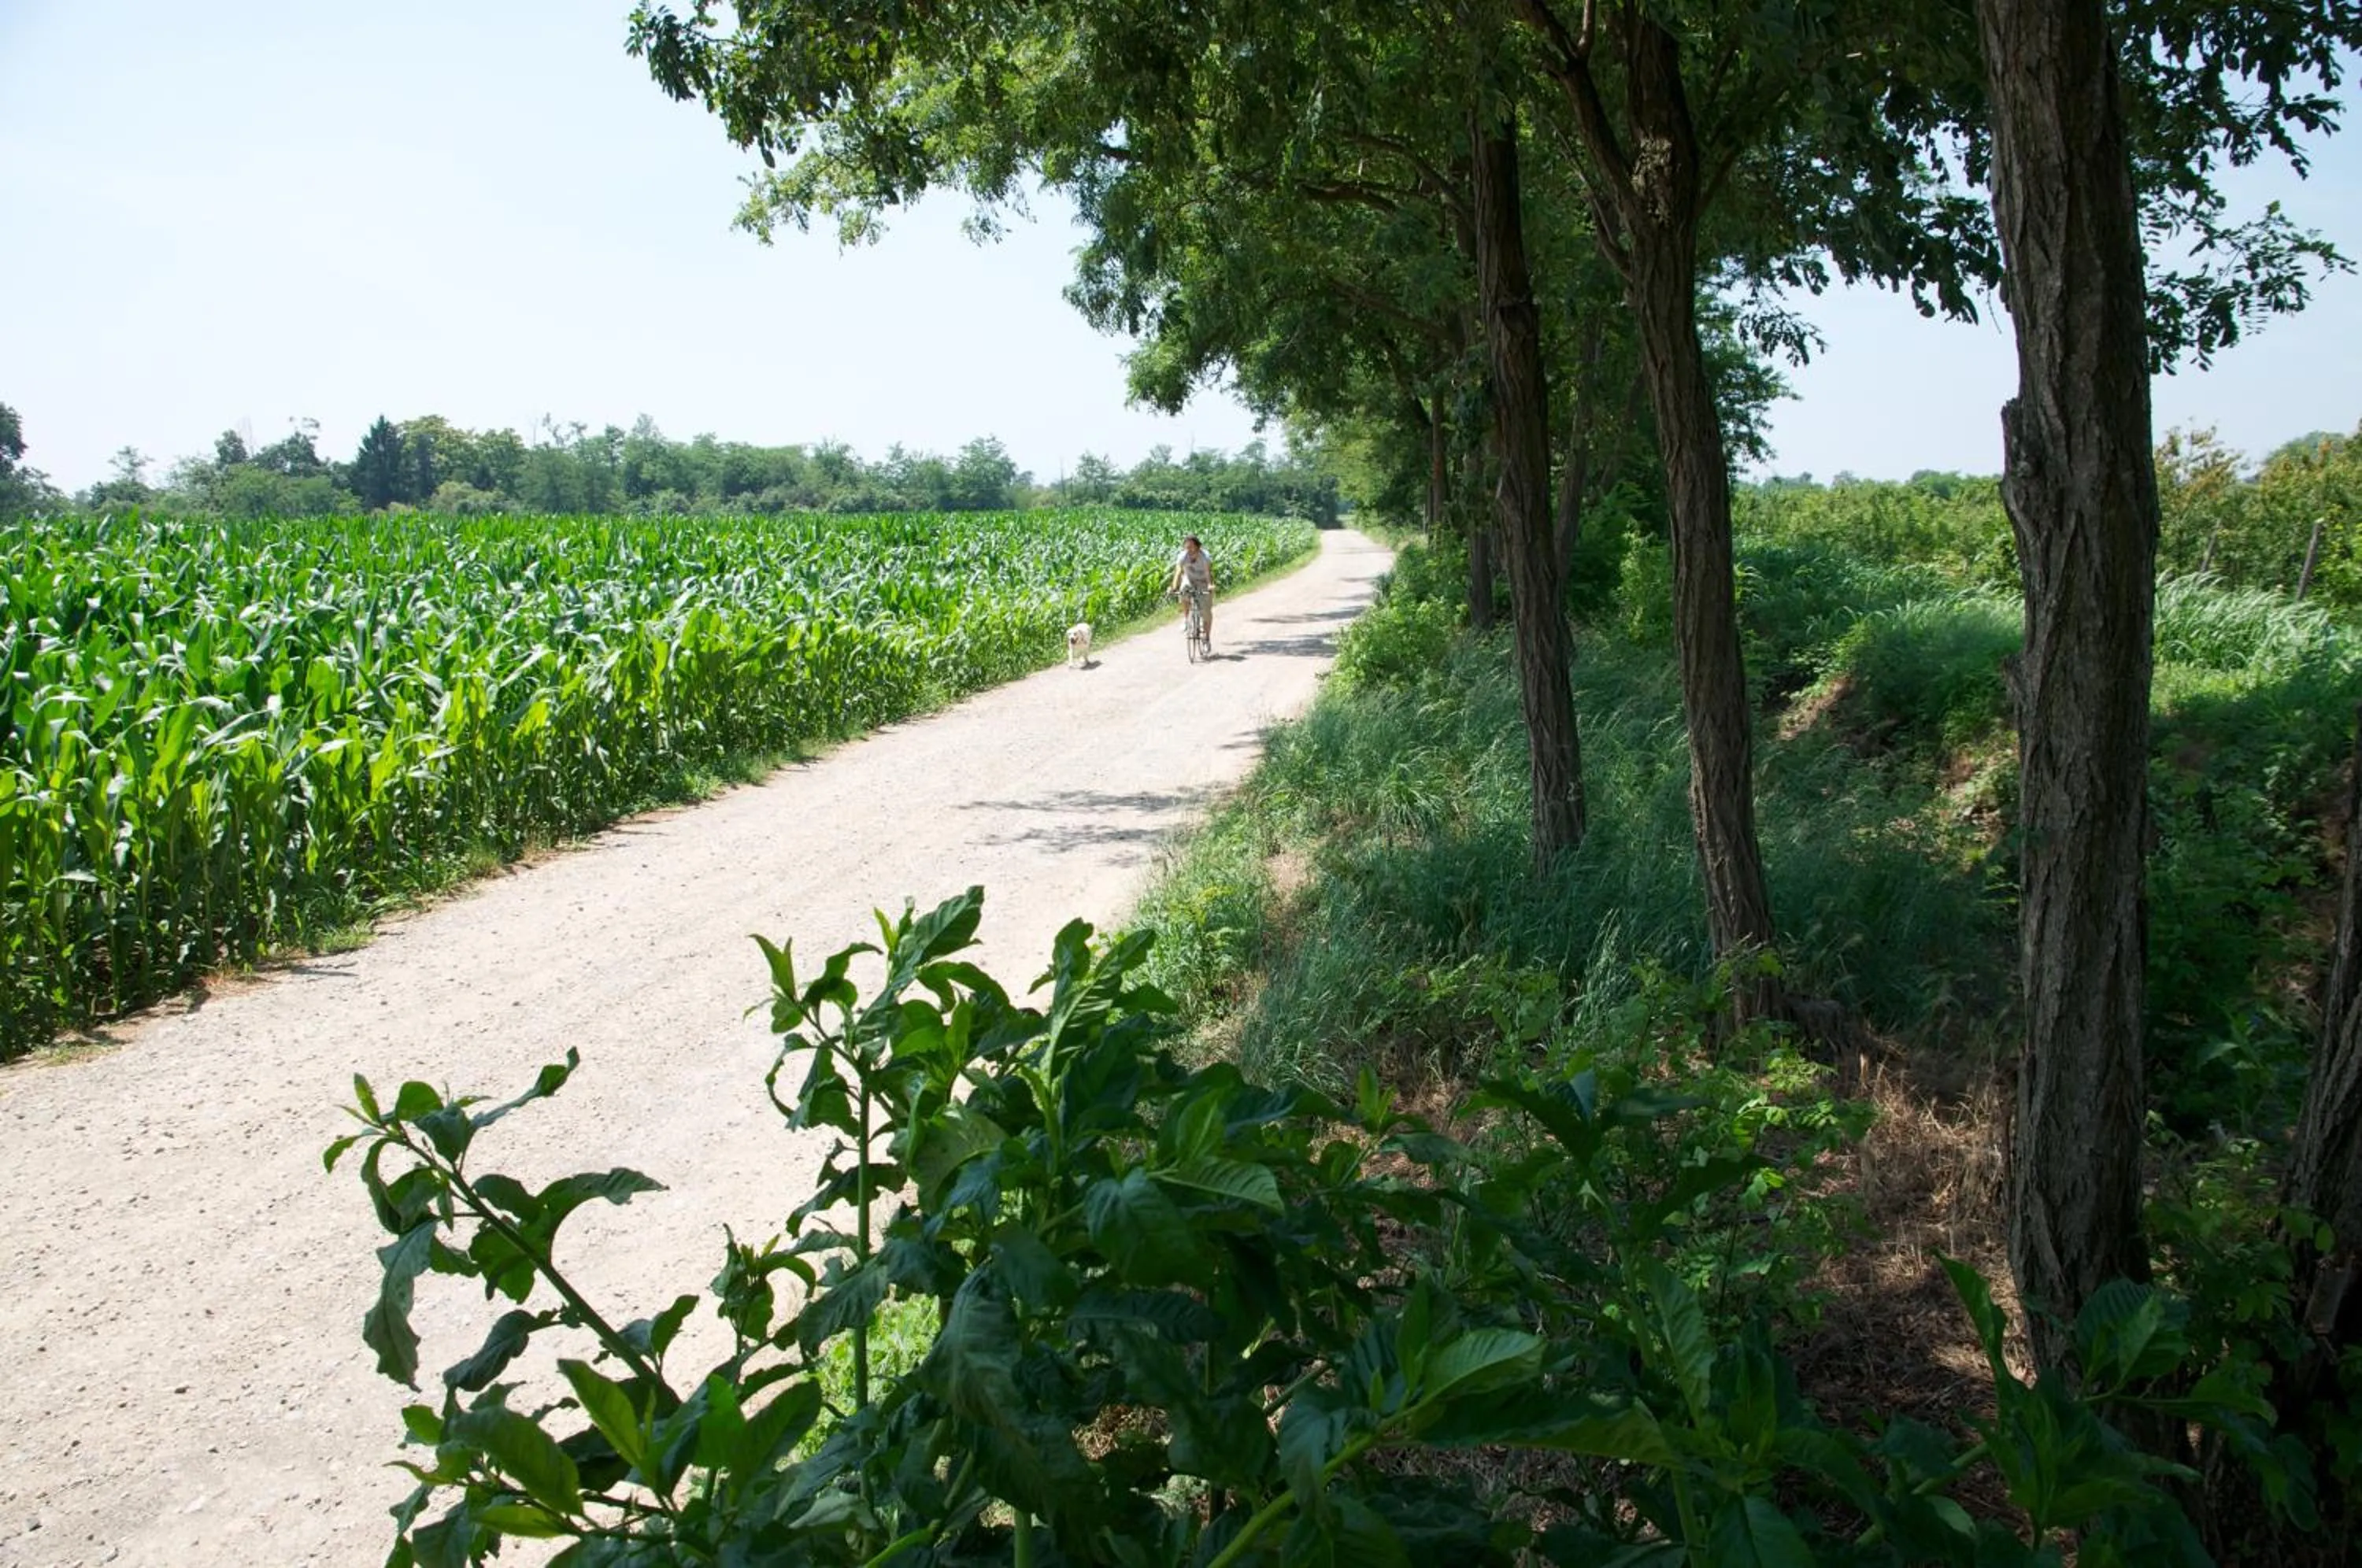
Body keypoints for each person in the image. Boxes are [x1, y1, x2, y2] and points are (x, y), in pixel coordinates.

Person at [1168, 534, 1215, 647]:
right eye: (1187, 547)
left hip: (1203, 582)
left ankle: (1207, 638)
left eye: (1191, 547)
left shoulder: (1204, 557)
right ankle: (1186, 619)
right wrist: (1174, 587)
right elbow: (1178, 572)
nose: (1189, 550)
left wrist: (1209, 585)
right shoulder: (1183, 556)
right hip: (1189, 579)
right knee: (1183, 590)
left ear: (1198, 547)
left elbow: (1207, 572)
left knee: (1206, 612)